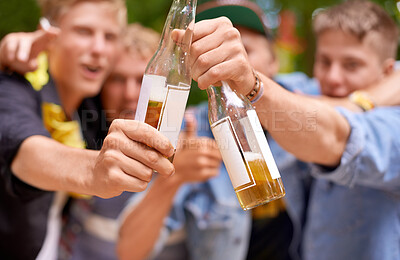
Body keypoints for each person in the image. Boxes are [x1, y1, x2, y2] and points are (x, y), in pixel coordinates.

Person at [170, 0, 399, 259]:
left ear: (274, 60)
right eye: (324, 61)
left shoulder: (389, 123)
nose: (334, 77)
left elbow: (335, 134)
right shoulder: (193, 126)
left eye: (352, 65)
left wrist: (252, 84)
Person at [0, 1, 174, 259]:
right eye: (83, 32)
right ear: (47, 33)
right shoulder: (13, 87)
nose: (99, 49)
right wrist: (94, 170)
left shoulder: (92, 105)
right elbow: (25, 153)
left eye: (110, 36)